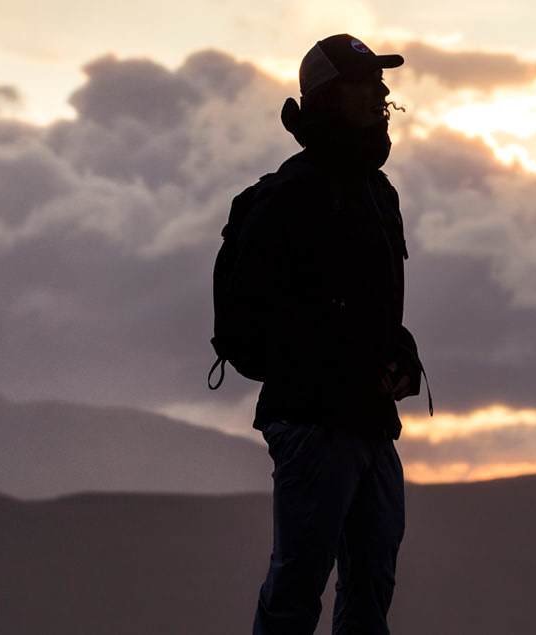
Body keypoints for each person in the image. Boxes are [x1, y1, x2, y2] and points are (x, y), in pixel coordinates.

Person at [219, 34, 423, 635]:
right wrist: (344, 360)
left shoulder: (376, 193)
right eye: (367, 84)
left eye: (381, 85)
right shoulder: (290, 197)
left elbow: (375, 311)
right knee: (298, 589)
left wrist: (399, 353)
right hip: (312, 425)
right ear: (330, 97)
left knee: (369, 588)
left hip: (368, 423)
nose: (383, 94)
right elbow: (261, 322)